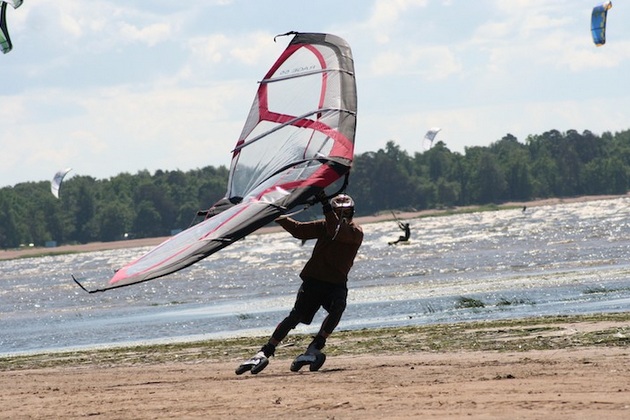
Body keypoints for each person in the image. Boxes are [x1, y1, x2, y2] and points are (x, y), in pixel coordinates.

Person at [236, 192, 364, 375]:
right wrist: (278, 217)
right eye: (338, 212)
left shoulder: (355, 232)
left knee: (338, 307)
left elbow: (336, 232)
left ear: (351, 213)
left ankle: (315, 346)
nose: (342, 216)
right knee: (295, 317)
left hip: (336, 283)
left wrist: (326, 206)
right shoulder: (325, 226)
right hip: (314, 281)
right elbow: (299, 230)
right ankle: (266, 350)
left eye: (346, 212)